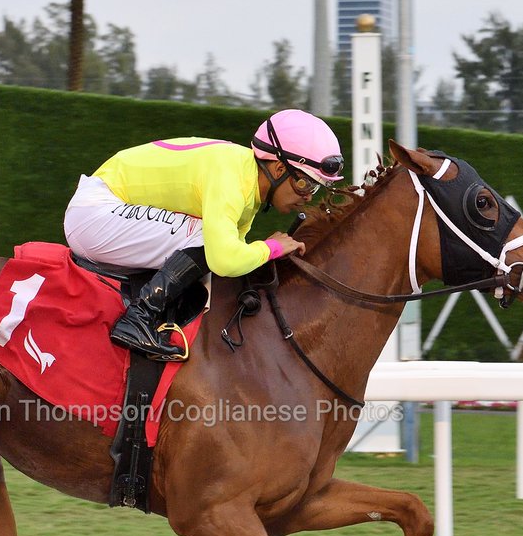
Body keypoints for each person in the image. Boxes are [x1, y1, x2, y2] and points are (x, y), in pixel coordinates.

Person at [63, 109, 344, 361]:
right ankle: (139, 318)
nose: (307, 196)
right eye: (304, 183)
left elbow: (232, 259)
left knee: (214, 240)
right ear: (279, 168)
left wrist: (264, 250)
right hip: (95, 213)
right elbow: (224, 259)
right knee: (207, 239)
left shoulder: (246, 184)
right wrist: (271, 247)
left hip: (107, 213)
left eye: (315, 188)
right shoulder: (231, 176)